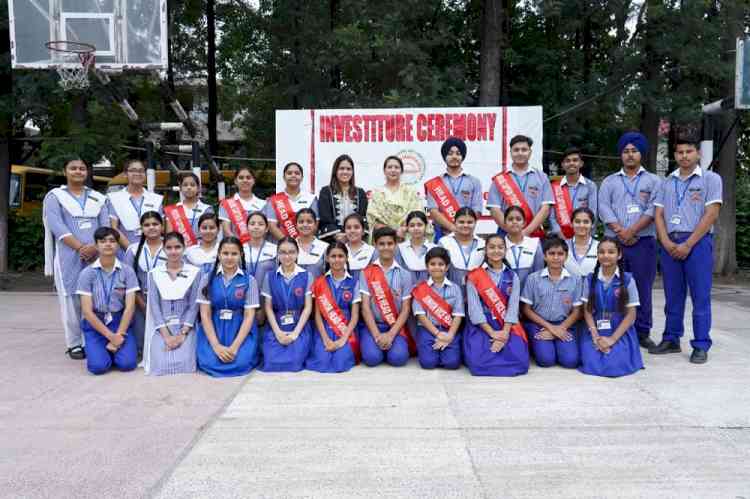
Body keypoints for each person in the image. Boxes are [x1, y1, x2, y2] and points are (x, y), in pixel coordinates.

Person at [651, 137, 722, 363]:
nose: (684, 156)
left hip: (697, 243)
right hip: (670, 243)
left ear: (698, 154)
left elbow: (711, 214)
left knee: (700, 296)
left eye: (688, 151)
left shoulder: (711, 179)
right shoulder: (666, 182)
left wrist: (688, 244)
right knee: (673, 296)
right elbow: (659, 214)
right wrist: (665, 241)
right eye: (680, 152)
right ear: (675, 155)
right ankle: (671, 338)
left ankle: (701, 344)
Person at [598, 131, 661, 350]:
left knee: (642, 287)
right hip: (614, 243)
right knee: (616, 287)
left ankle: (643, 332)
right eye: (626, 151)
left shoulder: (654, 181)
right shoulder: (609, 181)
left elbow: (655, 208)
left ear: (641, 153)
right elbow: (603, 207)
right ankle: (617, 328)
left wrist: (632, 230)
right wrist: (620, 230)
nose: (630, 155)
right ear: (621, 155)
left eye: (634, 151)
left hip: (643, 242)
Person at [43, 157, 110, 360]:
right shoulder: (55, 197)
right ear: (65, 172)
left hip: (97, 254)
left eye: (82, 168)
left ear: (87, 172)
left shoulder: (98, 197)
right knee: (71, 297)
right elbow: (56, 225)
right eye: (73, 168)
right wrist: (81, 247)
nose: (78, 171)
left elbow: (104, 224)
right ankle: (74, 343)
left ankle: (93, 338)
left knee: (97, 296)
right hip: (68, 255)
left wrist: (95, 248)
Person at [76, 227, 140, 375]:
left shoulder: (127, 271)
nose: (108, 244)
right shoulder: (87, 273)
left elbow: (130, 307)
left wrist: (120, 334)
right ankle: (103, 350)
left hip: (119, 321)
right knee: (98, 367)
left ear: (118, 245)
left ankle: (113, 351)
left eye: (112, 241)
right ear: (96, 245)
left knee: (127, 364)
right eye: (103, 241)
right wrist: (111, 337)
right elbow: (87, 311)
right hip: (96, 323)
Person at [464, 234, 528, 376]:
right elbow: (474, 309)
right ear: (485, 251)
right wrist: (492, 333)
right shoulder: (474, 276)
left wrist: (504, 333)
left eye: (500, 247)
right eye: (491, 247)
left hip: (506, 324)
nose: (496, 251)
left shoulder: (513, 276)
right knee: (477, 364)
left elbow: (513, 308)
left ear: (505, 250)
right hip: (482, 325)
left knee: (521, 362)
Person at [196, 237, 261, 377]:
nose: (229, 258)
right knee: (209, 362)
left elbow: (249, 316)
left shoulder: (249, 280)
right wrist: (216, 346)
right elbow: (205, 315)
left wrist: (235, 347)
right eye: (225, 253)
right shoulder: (207, 279)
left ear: (241, 255)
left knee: (241, 362)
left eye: (234, 254)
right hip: (215, 329)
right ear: (218, 254)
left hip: (239, 329)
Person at [579, 237, 643, 377]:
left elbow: (631, 315)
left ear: (619, 255)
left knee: (615, 366)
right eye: (601, 252)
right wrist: (595, 336)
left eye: (611, 252)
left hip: (618, 329)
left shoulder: (627, 280)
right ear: (597, 255)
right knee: (591, 362)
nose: (606, 255)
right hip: (595, 328)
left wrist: (613, 339)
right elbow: (587, 311)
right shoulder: (590, 279)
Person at [143, 232, 202, 375]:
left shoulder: (195, 272)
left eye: (177, 247)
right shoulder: (154, 273)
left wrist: (182, 334)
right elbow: (154, 306)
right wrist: (167, 336)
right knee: (160, 365)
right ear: (163, 249)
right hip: (162, 327)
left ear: (184, 248)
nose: (173, 251)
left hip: (186, 326)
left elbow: (194, 305)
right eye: (169, 248)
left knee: (185, 363)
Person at [520, 236, 583, 368]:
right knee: (546, 360)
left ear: (566, 256)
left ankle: (555, 342)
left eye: (560, 254)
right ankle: (538, 344)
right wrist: (551, 328)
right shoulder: (533, 279)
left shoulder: (575, 280)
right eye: (551, 253)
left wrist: (560, 329)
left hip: (564, 324)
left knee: (570, 361)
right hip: (539, 323)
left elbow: (577, 311)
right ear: (544, 256)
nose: (556, 257)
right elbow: (526, 309)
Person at [359, 227, 416, 367]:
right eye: (381, 244)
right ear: (375, 245)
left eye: (390, 243)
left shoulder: (405, 274)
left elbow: (405, 309)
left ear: (395, 245)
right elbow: (365, 308)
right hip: (373, 326)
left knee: (398, 359)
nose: (386, 247)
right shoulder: (366, 273)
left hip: (395, 326)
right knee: (372, 359)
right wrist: (377, 335)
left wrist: (391, 335)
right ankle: (377, 345)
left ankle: (390, 345)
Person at [306, 243, 362, 373]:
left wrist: (343, 339)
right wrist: (325, 339)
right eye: (333, 256)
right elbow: (318, 315)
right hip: (324, 329)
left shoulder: (354, 282)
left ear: (346, 258)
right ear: (327, 258)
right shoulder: (319, 282)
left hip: (346, 329)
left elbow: (355, 316)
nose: (337, 260)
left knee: (340, 363)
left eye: (340, 256)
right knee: (322, 361)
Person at [260, 237, 314, 372]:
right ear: (277, 254)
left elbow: (308, 307)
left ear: (297, 254)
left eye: (291, 252)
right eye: (283, 252)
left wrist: (295, 333)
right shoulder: (270, 276)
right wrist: (278, 333)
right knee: (271, 362)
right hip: (277, 323)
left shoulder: (307, 276)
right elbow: (268, 307)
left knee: (295, 362)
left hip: (299, 323)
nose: (287, 256)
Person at [487, 135, 553, 237]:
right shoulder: (499, 179)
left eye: (524, 150)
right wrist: (512, 231)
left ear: (530, 152)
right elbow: (495, 210)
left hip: (533, 232)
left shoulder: (542, 178)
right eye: (516, 150)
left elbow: (545, 209)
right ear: (511, 153)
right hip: (505, 233)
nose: (520, 153)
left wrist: (526, 232)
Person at [411, 247, 464, 369]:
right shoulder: (420, 288)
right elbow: (421, 316)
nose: (436, 267)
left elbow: (458, 315)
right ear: (427, 266)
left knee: (452, 363)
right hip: (427, 330)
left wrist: (450, 335)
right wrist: (437, 333)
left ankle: (443, 353)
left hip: (449, 328)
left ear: (447, 267)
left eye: (441, 264)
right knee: (428, 363)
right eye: (432, 264)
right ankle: (437, 353)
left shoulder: (455, 288)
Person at [425, 137, 484, 240]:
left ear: (462, 156)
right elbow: (433, 211)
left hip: (466, 232)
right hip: (441, 233)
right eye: (450, 153)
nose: (454, 156)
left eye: (458, 153)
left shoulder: (474, 182)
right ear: (444, 157)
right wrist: (453, 228)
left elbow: (477, 210)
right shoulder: (435, 183)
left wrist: (463, 227)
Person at [123, 211, 166, 353]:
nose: (151, 227)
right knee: (141, 342)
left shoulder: (171, 247)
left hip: (165, 300)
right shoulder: (133, 250)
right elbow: (129, 282)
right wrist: (143, 304)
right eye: (147, 225)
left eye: (155, 224)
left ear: (162, 226)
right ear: (141, 228)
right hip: (140, 300)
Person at [366, 155, 430, 242]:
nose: (393, 170)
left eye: (396, 167)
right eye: (389, 167)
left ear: (401, 171)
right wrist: (394, 232)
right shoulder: (377, 193)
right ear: (384, 171)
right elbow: (373, 220)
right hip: (384, 239)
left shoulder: (411, 192)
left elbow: (418, 215)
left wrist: (404, 229)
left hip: (407, 237)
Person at [107, 159, 164, 252]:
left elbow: (161, 227)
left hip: (152, 250)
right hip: (125, 250)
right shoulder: (114, 198)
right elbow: (114, 228)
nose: (137, 173)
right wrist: (131, 250)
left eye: (141, 171)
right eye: (133, 170)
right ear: (125, 174)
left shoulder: (156, 199)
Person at [317, 154, 369, 242]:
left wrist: (351, 234)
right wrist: (337, 235)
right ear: (335, 171)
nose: (345, 172)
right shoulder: (325, 191)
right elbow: (325, 218)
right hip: (332, 240)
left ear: (352, 172)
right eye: (341, 168)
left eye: (348, 169)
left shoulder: (360, 193)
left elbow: (363, 217)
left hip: (356, 240)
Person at [549, 148, 598, 239]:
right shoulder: (554, 187)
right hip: (559, 238)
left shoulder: (590, 186)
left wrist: (584, 237)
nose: (571, 163)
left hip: (584, 237)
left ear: (581, 164)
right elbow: (551, 217)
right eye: (567, 161)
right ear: (563, 165)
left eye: (575, 160)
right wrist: (561, 236)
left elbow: (593, 214)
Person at [265, 162, 318, 241]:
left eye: (297, 173)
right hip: (281, 246)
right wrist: (288, 243)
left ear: (302, 177)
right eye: (289, 173)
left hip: (305, 244)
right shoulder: (274, 200)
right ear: (284, 177)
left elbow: (315, 224)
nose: (293, 175)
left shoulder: (311, 199)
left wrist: (301, 243)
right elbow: (272, 226)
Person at [438, 207, 485, 286]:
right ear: (455, 222)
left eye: (470, 222)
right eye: (461, 222)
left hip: (476, 292)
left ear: (475, 223)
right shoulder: (444, 243)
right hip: (451, 293)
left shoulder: (483, 244)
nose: (465, 225)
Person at [164, 172, 213, 246]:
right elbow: (170, 236)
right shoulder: (172, 210)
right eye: (185, 185)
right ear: (180, 188)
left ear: (199, 188)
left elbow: (211, 234)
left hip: (202, 250)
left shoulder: (207, 209)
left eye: (192, 185)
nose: (189, 187)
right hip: (179, 251)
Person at [218, 166, 266, 240]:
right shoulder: (226, 204)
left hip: (258, 247)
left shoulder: (263, 204)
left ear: (254, 181)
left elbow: (265, 230)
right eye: (241, 178)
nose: (245, 180)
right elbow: (226, 230)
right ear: (235, 181)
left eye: (248, 177)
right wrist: (239, 245)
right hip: (235, 248)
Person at [504, 206, 544, 288]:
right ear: (505, 223)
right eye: (510, 219)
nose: (514, 222)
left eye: (518, 219)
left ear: (524, 223)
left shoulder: (535, 243)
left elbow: (539, 274)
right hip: (505, 294)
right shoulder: (498, 245)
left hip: (529, 294)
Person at [244, 211, 278, 298]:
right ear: (247, 227)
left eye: (260, 224)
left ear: (266, 228)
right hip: (243, 297)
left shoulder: (275, 249)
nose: (256, 227)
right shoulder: (239, 249)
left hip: (268, 298)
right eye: (252, 224)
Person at [395, 211, 436, 283]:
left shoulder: (434, 248)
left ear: (425, 226)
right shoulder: (399, 249)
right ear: (407, 227)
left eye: (419, 225)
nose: (416, 228)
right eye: (412, 225)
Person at [564, 207, 599, 278]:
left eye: (586, 222)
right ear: (571, 224)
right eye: (577, 221)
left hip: (592, 288)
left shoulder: (600, 246)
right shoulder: (562, 246)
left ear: (592, 225)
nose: (581, 225)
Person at [295, 208, 329, 279]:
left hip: (318, 289)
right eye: (301, 222)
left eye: (309, 222)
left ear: (315, 224)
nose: (305, 225)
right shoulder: (289, 247)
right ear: (296, 225)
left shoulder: (325, 247)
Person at [342, 213, 376, 281]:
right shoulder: (340, 251)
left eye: (356, 227)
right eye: (348, 228)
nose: (352, 231)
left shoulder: (372, 251)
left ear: (363, 231)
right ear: (344, 231)